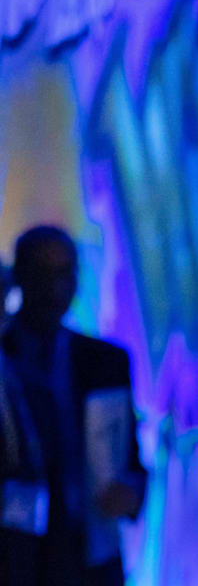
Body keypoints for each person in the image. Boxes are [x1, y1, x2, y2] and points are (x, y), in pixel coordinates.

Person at [0, 225, 146, 585]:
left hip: (92, 553)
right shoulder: (4, 360)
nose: (56, 288)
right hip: (14, 556)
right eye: (43, 274)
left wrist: (129, 493)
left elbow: (131, 461)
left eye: (65, 274)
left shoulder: (105, 361)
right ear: (20, 277)